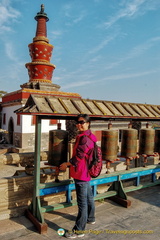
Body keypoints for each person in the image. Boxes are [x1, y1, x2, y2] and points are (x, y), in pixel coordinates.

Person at [60, 114, 97, 239]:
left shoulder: (85, 139)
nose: (79, 124)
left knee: (82, 203)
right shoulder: (89, 136)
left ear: (88, 123)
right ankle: (90, 218)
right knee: (89, 197)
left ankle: (79, 230)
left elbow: (78, 157)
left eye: (82, 122)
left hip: (81, 173)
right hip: (85, 172)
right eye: (78, 122)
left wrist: (66, 164)